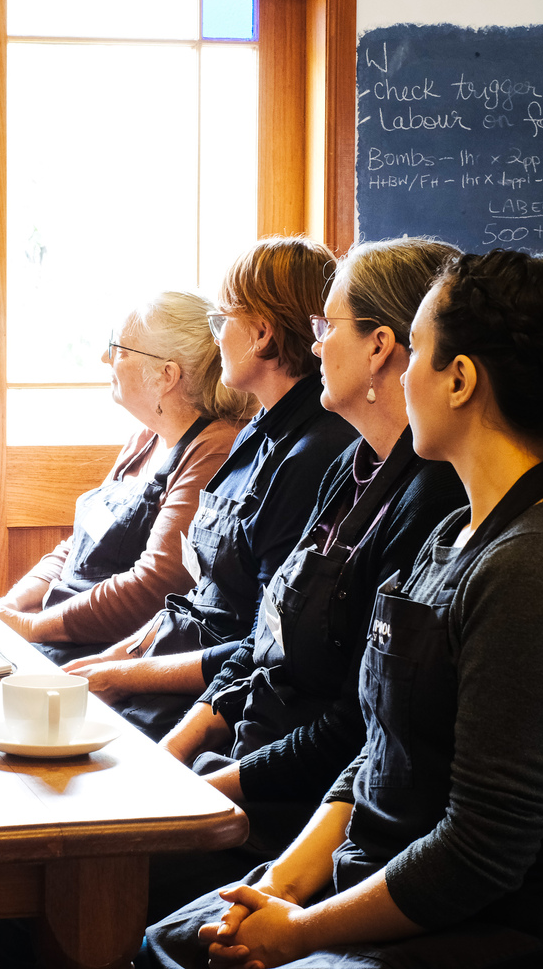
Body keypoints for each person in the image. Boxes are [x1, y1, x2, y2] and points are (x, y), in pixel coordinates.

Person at [141, 248, 543, 969]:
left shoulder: (528, 567)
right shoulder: (449, 535)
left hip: (472, 923)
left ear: (459, 380)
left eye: (418, 350)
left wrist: (303, 931)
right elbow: (375, 746)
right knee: (169, 943)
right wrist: (277, 887)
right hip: (364, 869)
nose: (406, 376)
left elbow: (482, 851)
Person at [61, 236, 358, 741]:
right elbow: (198, 597)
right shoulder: (256, 432)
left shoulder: (313, 456)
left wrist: (121, 673)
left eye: (222, 322)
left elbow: (260, 644)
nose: (215, 338)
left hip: (221, 705)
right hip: (168, 663)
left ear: (262, 334)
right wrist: (118, 655)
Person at [0, 290, 257, 665]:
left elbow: (156, 586)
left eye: (119, 349)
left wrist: (33, 628)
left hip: (111, 654)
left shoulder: (214, 449)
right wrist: (12, 604)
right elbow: (76, 548)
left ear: (166, 375)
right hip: (60, 629)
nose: (105, 358)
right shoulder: (145, 437)